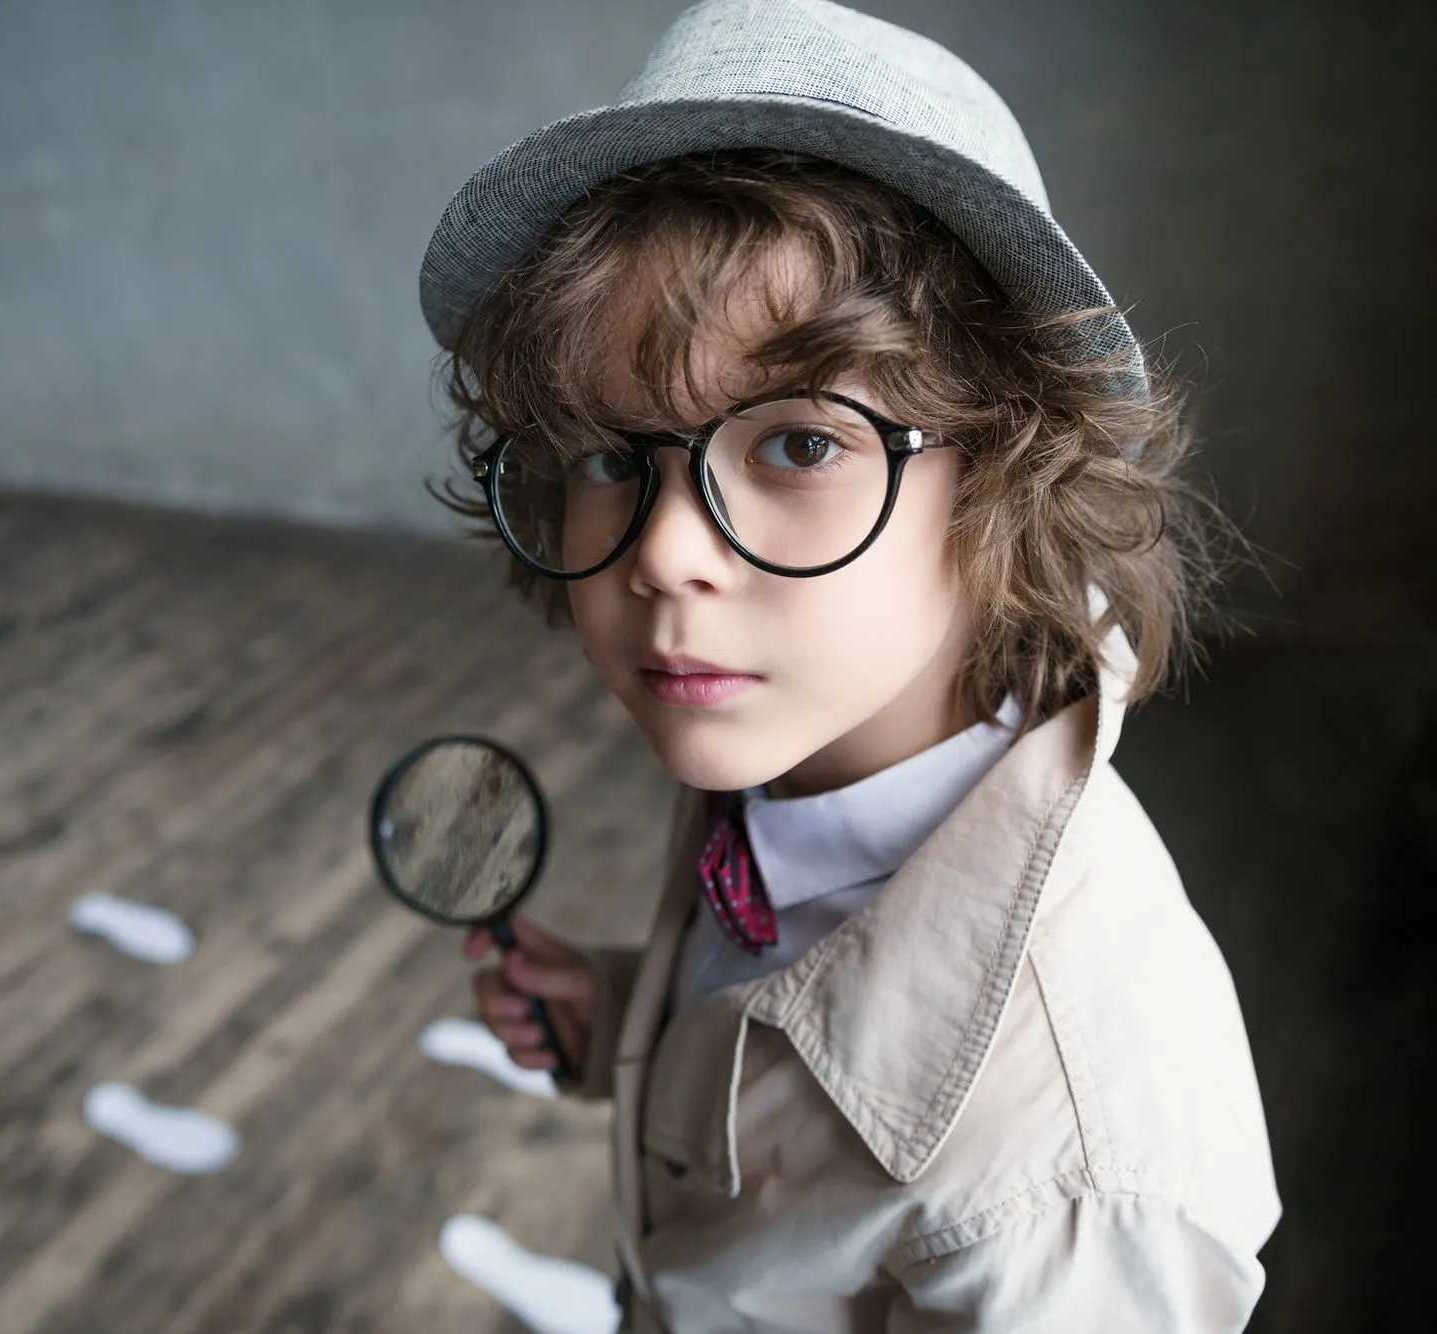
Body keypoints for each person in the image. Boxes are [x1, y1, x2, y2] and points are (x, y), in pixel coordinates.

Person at [433, 1, 1281, 1329]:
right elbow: (792, 1018)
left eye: (798, 444)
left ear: (1008, 471)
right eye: (612, 458)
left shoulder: (1075, 1188)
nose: (664, 554)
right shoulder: (795, 733)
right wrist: (616, 1014)